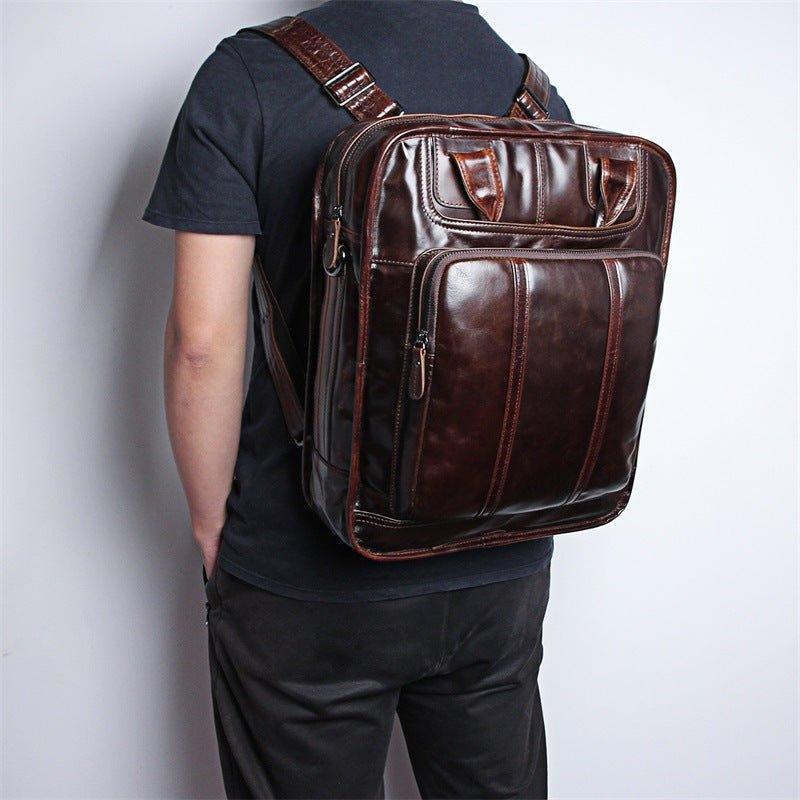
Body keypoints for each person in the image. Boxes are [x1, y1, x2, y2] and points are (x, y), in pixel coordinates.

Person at [144, 1, 572, 797]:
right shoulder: (535, 97)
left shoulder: (249, 77)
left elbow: (201, 343)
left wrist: (210, 527)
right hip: (501, 560)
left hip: (304, 571)